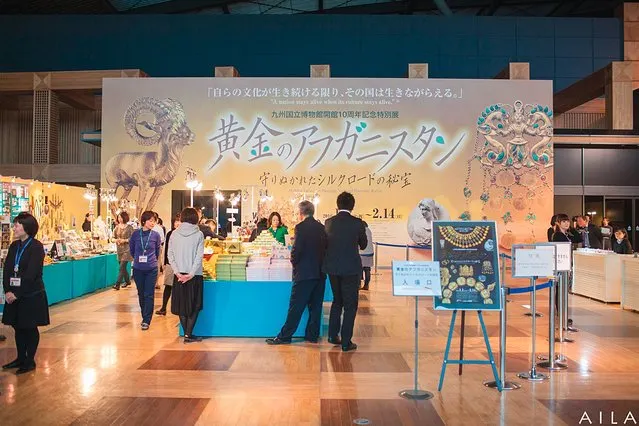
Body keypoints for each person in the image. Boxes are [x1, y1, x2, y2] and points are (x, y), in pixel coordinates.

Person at [266, 201, 327, 345]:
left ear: (300, 213)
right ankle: (312, 335)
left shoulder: (300, 227)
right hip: (320, 273)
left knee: (296, 307)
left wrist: (294, 261)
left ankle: (285, 336)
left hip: (304, 273)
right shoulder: (321, 227)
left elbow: (296, 250)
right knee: (316, 307)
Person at [2, 212, 50, 374]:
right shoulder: (14, 246)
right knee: (18, 326)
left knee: (29, 327)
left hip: (30, 294)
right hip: (13, 294)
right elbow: (7, 269)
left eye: (17, 225)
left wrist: (17, 293)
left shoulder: (36, 247)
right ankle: (20, 358)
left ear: (27, 227)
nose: (14, 228)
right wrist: (8, 290)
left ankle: (29, 361)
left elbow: (32, 274)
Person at [324, 192, 367, 352]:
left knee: (337, 301)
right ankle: (346, 342)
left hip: (333, 268)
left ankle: (332, 335)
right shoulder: (357, 223)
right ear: (352, 206)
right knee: (350, 305)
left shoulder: (329, 222)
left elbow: (325, 244)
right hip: (351, 269)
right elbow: (363, 245)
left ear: (337, 205)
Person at [168, 207, 205, 343]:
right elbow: (199, 256)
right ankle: (189, 334)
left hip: (179, 276)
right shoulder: (199, 234)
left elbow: (170, 255)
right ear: (196, 218)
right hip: (195, 275)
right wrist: (191, 274)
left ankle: (186, 334)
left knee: (181, 305)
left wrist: (177, 272)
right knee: (195, 305)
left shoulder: (174, 234)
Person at [129, 211, 162, 330]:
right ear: (144, 221)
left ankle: (147, 320)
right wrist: (138, 258)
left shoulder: (156, 235)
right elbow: (132, 250)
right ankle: (144, 315)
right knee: (141, 293)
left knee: (149, 294)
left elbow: (157, 252)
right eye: (150, 220)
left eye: (154, 221)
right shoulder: (135, 234)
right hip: (138, 268)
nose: (153, 223)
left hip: (151, 269)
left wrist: (153, 262)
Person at [156, 214, 181, 316]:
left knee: (179, 287)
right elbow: (166, 248)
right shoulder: (170, 233)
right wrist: (164, 263)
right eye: (176, 221)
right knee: (168, 285)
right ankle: (163, 308)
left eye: (179, 221)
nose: (177, 223)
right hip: (170, 264)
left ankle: (178, 308)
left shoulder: (184, 234)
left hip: (181, 265)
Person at [113, 211, 133, 290]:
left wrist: (124, 240)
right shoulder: (116, 227)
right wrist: (116, 240)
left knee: (121, 267)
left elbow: (132, 238)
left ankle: (117, 284)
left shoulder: (129, 227)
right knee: (123, 268)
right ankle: (128, 281)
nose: (119, 219)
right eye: (118, 217)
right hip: (119, 250)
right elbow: (112, 237)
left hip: (127, 250)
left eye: (121, 217)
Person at [359, 221, 374, 291]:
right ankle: (366, 285)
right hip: (370, 253)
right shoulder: (369, 231)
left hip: (362, 253)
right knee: (367, 269)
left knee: (359, 269)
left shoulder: (361, 231)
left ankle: (359, 285)